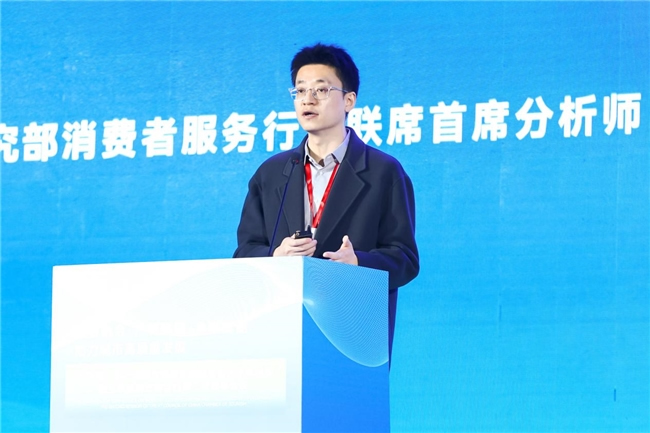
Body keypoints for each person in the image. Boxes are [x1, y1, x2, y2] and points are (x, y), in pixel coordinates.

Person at [233, 42, 419, 356]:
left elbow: (405, 260)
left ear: (349, 100)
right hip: (280, 334)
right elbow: (244, 253)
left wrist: (359, 263)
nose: (308, 99)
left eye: (321, 90)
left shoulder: (384, 172)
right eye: (300, 91)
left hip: (352, 337)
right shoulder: (272, 173)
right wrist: (276, 256)